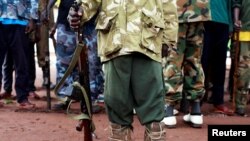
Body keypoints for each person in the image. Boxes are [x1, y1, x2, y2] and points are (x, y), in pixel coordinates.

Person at [68, 0, 178, 140]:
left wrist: (168, 39)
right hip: (115, 42)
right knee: (116, 105)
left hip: (147, 42)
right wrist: (79, 12)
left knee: (153, 108)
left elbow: (168, 5)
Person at [161, 0, 210, 128]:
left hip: (175, 10)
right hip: (199, 10)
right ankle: (196, 111)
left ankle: (169, 110)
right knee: (194, 60)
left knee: (173, 60)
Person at [41, 0, 80, 110]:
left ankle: (89, 98)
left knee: (87, 63)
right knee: (63, 62)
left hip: (88, 24)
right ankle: (64, 97)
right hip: (65, 22)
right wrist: (47, 10)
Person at [0, 0, 39, 109]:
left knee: (22, 62)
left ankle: (22, 97)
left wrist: (32, 19)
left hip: (20, 22)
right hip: (1, 20)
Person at [201, 0, 233, 115]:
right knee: (203, 61)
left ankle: (218, 101)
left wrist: (230, 25)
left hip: (223, 23)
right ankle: (196, 101)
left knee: (220, 64)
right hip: (205, 20)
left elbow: (229, 5)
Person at [232, 0, 250, 116]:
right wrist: (236, 20)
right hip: (245, 32)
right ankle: (240, 104)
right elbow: (237, 3)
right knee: (244, 71)